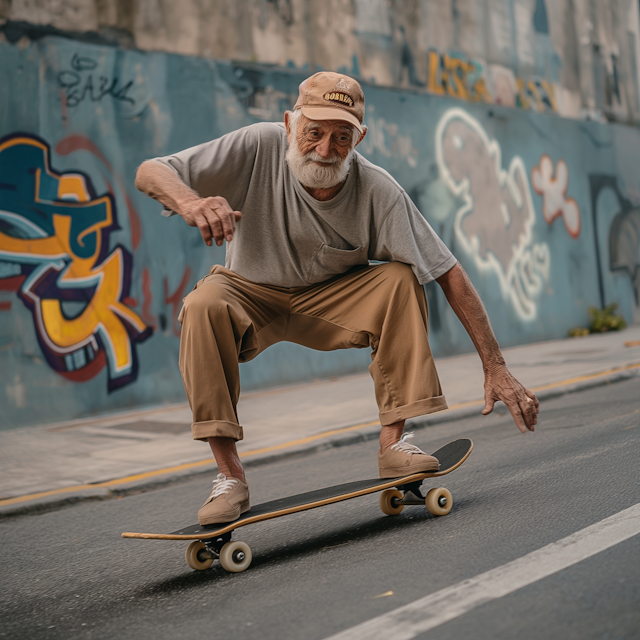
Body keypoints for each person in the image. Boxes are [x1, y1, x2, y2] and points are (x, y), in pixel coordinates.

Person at [135, 72, 539, 526]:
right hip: (250, 294)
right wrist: (191, 203)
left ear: (359, 138)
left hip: (329, 304)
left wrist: (496, 366)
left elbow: (448, 273)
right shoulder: (257, 146)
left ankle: (394, 446)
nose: (325, 150)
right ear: (290, 124)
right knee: (204, 303)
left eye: (341, 137)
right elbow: (151, 171)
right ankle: (229, 477)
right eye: (314, 132)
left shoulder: (377, 190)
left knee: (399, 280)